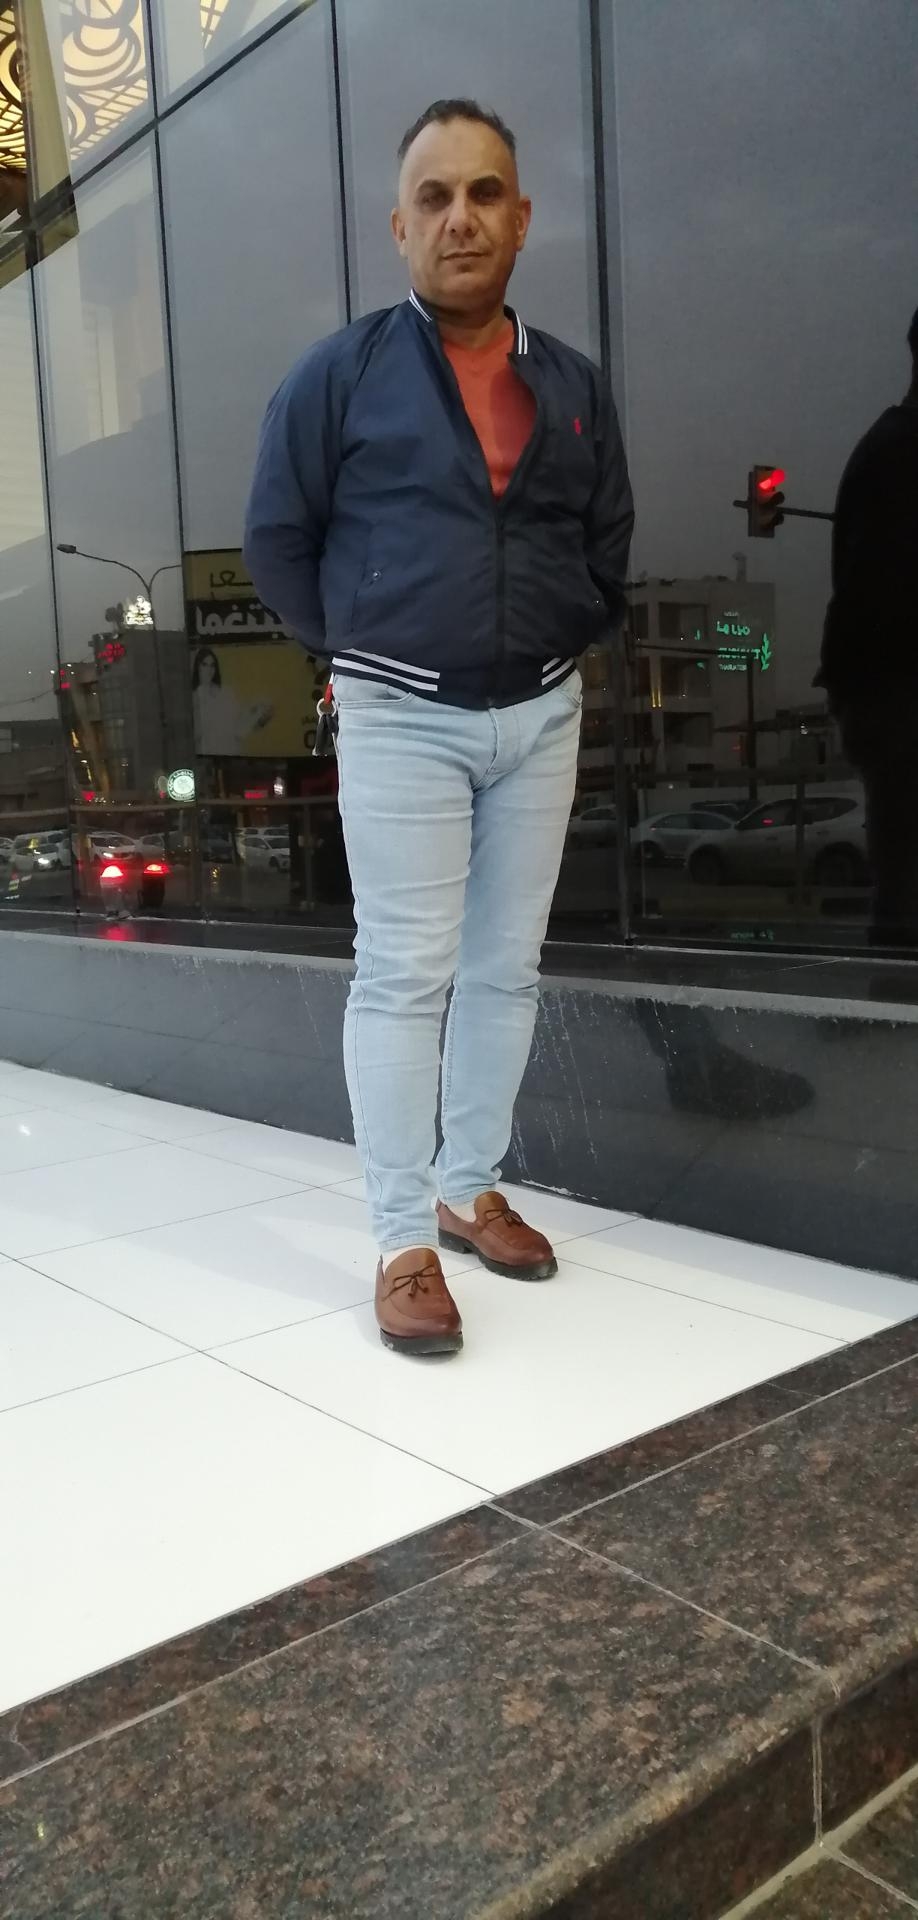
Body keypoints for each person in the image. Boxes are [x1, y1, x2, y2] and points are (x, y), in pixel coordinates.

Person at [244, 99, 633, 1356]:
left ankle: (471, 1188)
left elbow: (605, 540)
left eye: (484, 193)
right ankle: (403, 1238)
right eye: (434, 197)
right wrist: (363, 651)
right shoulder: (341, 373)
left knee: (507, 967)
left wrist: (563, 632)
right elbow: (278, 537)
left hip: (542, 712)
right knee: (405, 975)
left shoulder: (570, 384)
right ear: (399, 226)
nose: (460, 217)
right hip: (401, 712)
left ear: (522, 219)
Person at [817, 305, 918, 946]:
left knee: (901, 879)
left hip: (882, 694)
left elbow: (858, 588)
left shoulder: (884, 450)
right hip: (893, 694)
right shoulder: (896, 453)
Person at [191, 647, 273, 757]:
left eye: (212, 665)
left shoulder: (227, 692)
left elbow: (239, 729)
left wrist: (258, 716)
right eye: (204, 664)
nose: (209, 670)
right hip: (211, 755)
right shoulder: (193, 698)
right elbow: (196, 735)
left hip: (233, 752)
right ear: (197, 667)